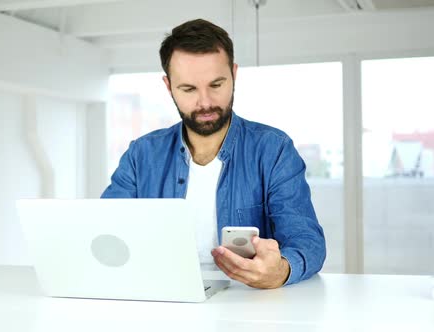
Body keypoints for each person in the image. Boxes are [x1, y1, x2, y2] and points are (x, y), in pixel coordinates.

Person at [101, 18, 326, 289]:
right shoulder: (141, 155)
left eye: (216, 85)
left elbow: (307, 242)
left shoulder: (273, 149)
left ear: (234, 74)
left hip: (247, 304)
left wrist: (281, 270)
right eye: (189, 89)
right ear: (168, 86)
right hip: (160, 297)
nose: (205, 102)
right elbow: (106, 234)